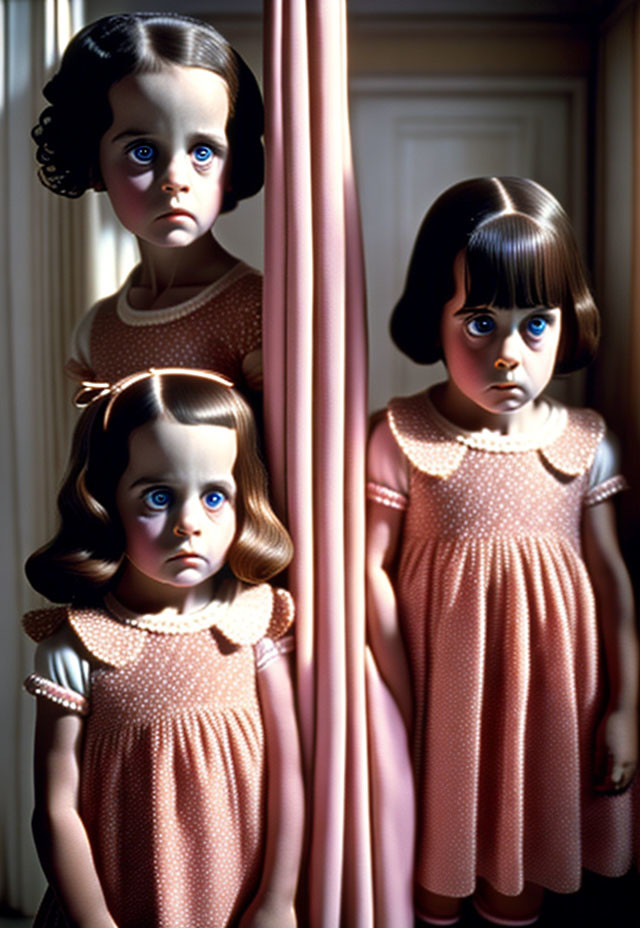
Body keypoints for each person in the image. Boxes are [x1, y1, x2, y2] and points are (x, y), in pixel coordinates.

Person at [366, 176, 638, 926]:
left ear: (565, 320)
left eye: (534, 324)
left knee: (520, 873)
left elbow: (611, 578)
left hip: (549, 703)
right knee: (432, 870)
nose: (509, 355)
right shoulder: (403, 440)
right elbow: (369, 572)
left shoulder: (585, 446)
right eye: (480, 322)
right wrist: (402, 694)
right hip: (438, 700)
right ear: (436, 316)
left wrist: (625, 707)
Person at [23, 368, 303, 928]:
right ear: (103, 501)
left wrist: (277, 900)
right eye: (158, 496)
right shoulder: (76, 648)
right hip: (124, 905)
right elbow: (56, 811)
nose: (189, 524)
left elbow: (289, 778)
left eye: (216, 496)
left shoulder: (253, 624)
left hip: (236, 903)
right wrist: (96, 920)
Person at [32, 13, 265, 393]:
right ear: (93, 163)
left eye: (203, 152)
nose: (175, 180)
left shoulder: (258, 310)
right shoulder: (97, 327)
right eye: (142, 151)